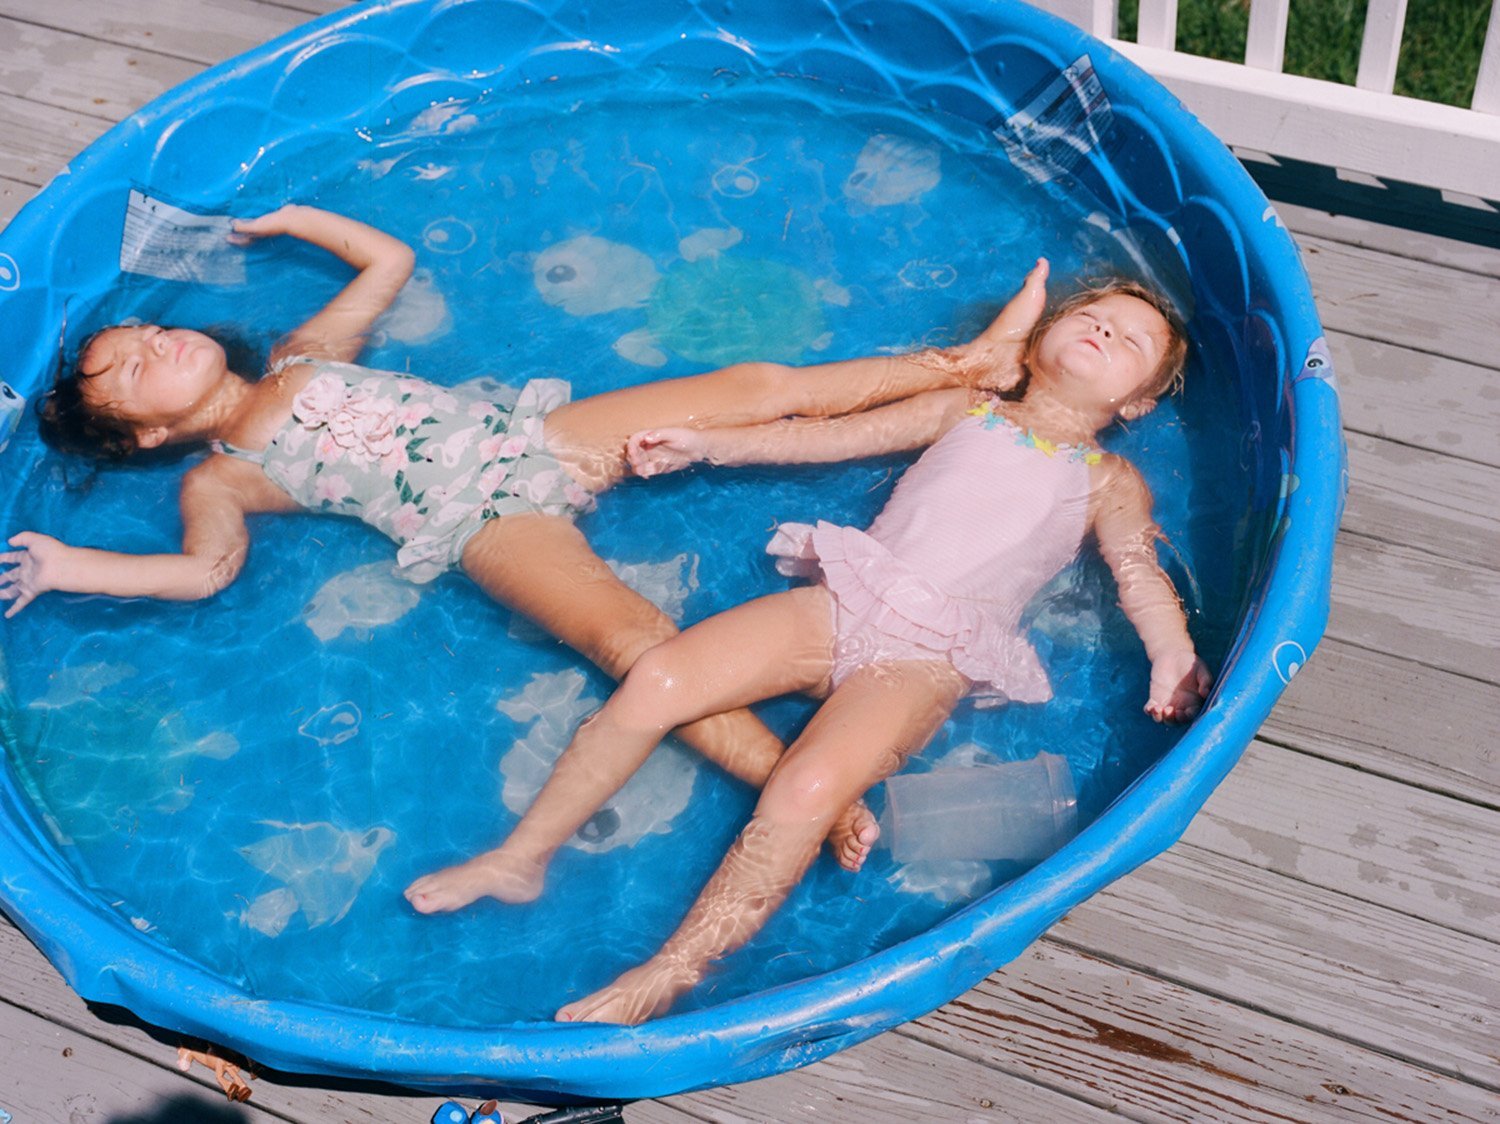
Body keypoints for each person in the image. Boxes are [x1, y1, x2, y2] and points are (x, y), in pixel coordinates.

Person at [0, 203, 1043, 870]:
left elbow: (390, 258)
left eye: (145, 330)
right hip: (482, 522)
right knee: (637, 648)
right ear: (146, 434)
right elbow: (206, 568)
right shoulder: (224, 477)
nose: (156, 339)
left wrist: (292, 221)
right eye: (132, 365)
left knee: (752, 387)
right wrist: (66, 562)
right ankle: (809, 789)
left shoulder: (303, 352)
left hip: (535, 437)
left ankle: (967, 365)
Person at [403, 259, 1214, 1025]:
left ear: (1137, 402)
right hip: (847, 598)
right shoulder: (964, 410)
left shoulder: (1107, 479)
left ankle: (673, 968)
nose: (1105, 333)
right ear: (1038, 343)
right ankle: (522, 857)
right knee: (658, 678)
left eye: (1130, 341)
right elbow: (828, 438)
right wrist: (710, 443)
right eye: (1095, 317)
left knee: (806, 787)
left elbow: (1137, 569)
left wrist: (1171, 651)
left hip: (924, 661)